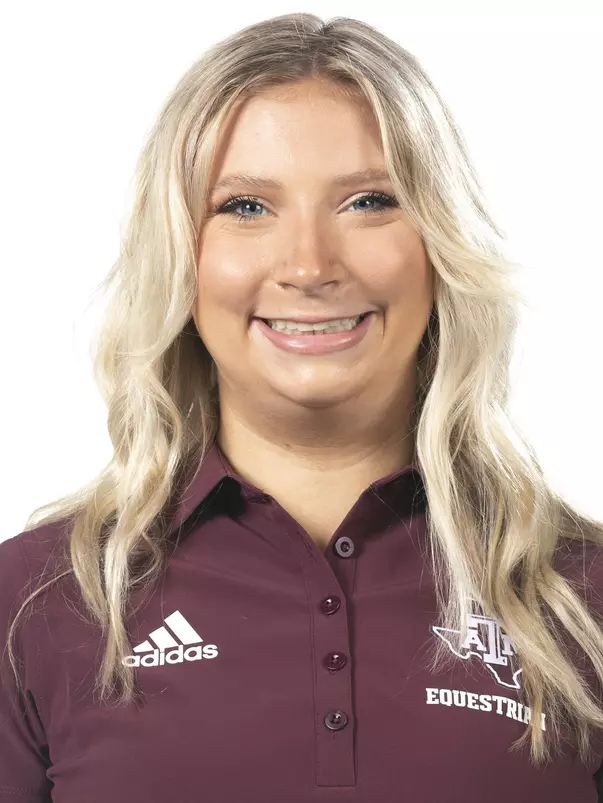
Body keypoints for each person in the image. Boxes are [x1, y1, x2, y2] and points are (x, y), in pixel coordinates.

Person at [1, 12, 603, 803]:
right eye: (246, 206)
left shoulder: (578, 595)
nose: (309, 265)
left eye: (367, 201)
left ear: (438, 244)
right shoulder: (33, 602)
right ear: (180, 254)